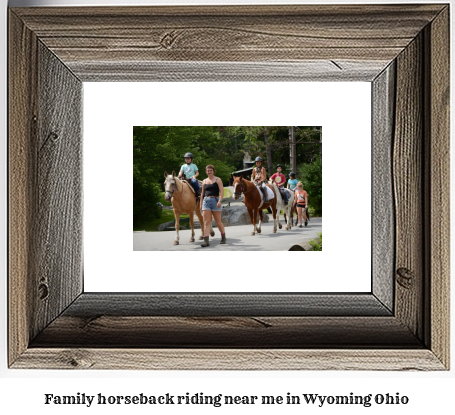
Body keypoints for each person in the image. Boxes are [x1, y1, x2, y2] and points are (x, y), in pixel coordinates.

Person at [200, 164, 226, 247]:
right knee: (207, 222)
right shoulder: (204, 181)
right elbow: (202, 193)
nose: (209, 172)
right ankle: (206, 241)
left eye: (210, 170)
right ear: (206, 172)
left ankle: (223, 237)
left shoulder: (218, 180)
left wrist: (220, 201)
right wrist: (200, 204)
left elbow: (221, 191)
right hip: (206, 201)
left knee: (218, 222)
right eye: (208, 170)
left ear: (213, 171)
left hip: (215, 201)